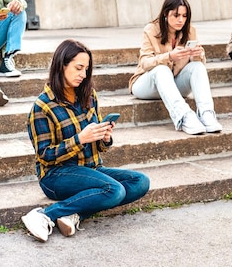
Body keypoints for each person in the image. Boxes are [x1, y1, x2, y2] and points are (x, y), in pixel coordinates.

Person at [22, 39, 150, 242]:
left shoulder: (89, 95)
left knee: (140, 182)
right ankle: (45, 214)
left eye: (86, 69)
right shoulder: (43, 107)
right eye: (78, 68)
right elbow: (45, 156)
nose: (83, 74)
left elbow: (98, 145)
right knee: (114, 190)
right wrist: (80, 139)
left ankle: (74, 214)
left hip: (91, 169)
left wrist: (104, 138)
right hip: (56, 175)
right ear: (61, 65)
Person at [129, 0, 222, 135]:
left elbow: (197, 64)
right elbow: (145, 63)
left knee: (197, 67)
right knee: (161, 70)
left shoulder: (190, 31)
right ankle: (184, 117)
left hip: (173, 84)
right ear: (166, 13)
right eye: (176, 15)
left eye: (184, 16)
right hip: (146, 85)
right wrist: (168, 56)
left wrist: (198, 55)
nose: (181, 20)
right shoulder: (151, 30)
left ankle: (206, 114)